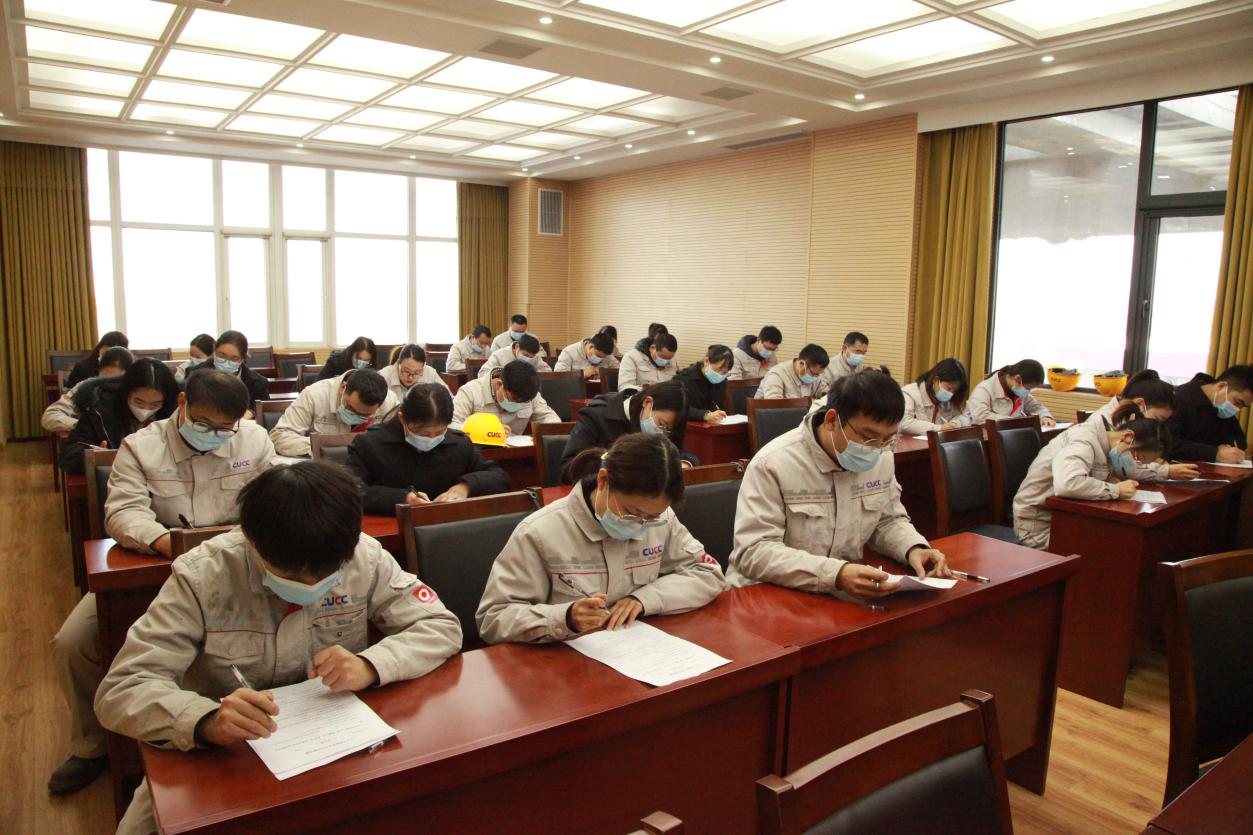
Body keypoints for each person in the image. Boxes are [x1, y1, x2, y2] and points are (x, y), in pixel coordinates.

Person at [94, 461, 462, 833]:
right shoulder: (202, 575)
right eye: (290, 575)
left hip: (336, 746)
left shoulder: (362, 555)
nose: (310, 586)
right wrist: (206, 720)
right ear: (252, 541)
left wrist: (370, 664)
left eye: (326, 575)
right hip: (223, 759)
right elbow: (122, 689)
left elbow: (439, 625)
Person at [48, 371, 272, 797]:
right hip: (159, 564)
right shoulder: (141, 447)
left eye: (225, 428)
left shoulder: (255, 440)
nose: (214, 435)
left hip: (236, 566)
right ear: (182, 403)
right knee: (73, 642)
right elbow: (123, 513)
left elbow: (270, 503)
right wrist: (167, 542)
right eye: (204, 424)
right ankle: (93, 746)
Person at [477, 433, 725, 644]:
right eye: (631, 512)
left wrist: (644, 599)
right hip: (564, 661)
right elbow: (493, 618)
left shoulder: (662, 520)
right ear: (603, 480)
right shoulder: (540, 531)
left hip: (635, 648)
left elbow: (707, 573)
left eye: (651, 517)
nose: (640, 524)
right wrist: (565, 617)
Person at [727, 371, 951, 596]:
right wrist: (835, 574)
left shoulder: (882, 456)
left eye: (888, 439)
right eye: (868, 437)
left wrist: (913, 547)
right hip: (765, 594)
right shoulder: (773, 464)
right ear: (832, 420)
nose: (876, 448)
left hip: (836, 592)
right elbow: (754, 551)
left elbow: (887, 520)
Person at [1013, 404, 1168, 548]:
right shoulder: (1084, 441)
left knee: (1119, 542)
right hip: (1039, 526)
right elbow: (1067, 484)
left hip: (1066, 519)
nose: (1133, 462)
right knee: (1109, 549)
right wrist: (1116, 490)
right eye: (1137, 457)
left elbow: (1122, 472)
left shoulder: (1108, 445)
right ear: (1127, 436)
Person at [347, 383, 511, 514]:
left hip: (445, 526)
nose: (432, 438)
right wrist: (403, 498)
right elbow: (350, 490)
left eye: (439, 432)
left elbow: (499, 477)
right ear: (402, 418)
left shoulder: (459, 444)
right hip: (390, 528)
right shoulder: (370, 444)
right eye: (423, 433)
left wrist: (465, 487)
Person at [58, 358, 180, 475]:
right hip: (115, 481)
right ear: (126, 393)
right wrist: (97, 457)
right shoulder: (100, 410)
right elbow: (69, 456)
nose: (145, 409)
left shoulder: (175, 413)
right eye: (138, 402)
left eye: (155, 404)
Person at [1072, 370, 1197, 482]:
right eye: (1157, 419)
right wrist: (1166, 471)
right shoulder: (1099, 423)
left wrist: (1149, 458)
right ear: (1140, 404)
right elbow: (1123, 468)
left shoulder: (1124, 423)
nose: (1155, 425)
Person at [560, 379, 698, 479]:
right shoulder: (597, 415)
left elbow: (681, 451)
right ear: (647, 402)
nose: (661, 432)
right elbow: (569, 468)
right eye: (661, 424)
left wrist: (684, 464)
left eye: (667, 429)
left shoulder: (660, 427)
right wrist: (621, 464)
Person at [270, 367, 398, 458]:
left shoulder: (390, 402)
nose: (356, 416)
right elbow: (279, 436)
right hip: (323, 468)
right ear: (343, 388)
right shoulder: (314, 395)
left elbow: (399, 441)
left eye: (365, 415)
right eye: (351, 409)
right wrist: (321, 446)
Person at [1166, 365, 1252, 464]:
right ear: (1221, 387)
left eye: (1243, 406)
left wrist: (1228, 446)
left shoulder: (1223, 408)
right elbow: (1167, 443)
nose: (1237, 409)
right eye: (1237, 402)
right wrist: (1215, 453)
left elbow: (1239, 439)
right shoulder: (1180, 399)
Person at [451, 360, 560, 436]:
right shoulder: (469, 392)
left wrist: (548, 429)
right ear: (499, 384)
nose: (519, 404)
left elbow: (551, 418)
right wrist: (485, 430)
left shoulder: (528, 393)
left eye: (524, 402)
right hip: (479, 453)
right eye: (515, 400)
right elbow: (451, 424)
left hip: (516, 453)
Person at [42, 346, 134, 433]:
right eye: (104, 379)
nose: (109, 385)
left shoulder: (136, 389)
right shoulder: (87, 386)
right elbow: (50, 416)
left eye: (115, 380)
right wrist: (87, 426)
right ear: (98, 373)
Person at [185, 330, 270, 416]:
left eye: (234, 359)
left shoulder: (257, 383)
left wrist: (251, 412)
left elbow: (264, 409)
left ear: (243, 359)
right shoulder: (195, 375)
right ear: (214, 351)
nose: (226, 362)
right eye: (221, 356)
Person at [967, 359, 1056, 427]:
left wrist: (1045, 417)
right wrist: (1017, 422)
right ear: (1017, 379)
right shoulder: (984, 389)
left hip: (1010, 435)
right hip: (988, 438)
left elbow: (1037, 407)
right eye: (1028, 388)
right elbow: (981, 417)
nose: (1028, 392)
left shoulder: (1018, 389)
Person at [899, 358, 973, 436]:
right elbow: (904, 423)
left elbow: (966, 416)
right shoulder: (909, 393)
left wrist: (955, 423)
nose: (951, 394)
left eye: (954, 391)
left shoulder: (951, 399)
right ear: (936, 380)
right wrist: (939, 428)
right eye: (949, 388)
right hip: (910, 442)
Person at [676, 344, 734, 424]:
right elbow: (676, 408)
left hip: (712, 425)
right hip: (687, 425)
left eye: (724, 372)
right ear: (706, 361)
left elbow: (717, 404)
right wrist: (705, 415)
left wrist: (718, 413)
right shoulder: (684, 378)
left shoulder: (721, 381)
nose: (720, 375)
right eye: (718, 370)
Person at [757, 343, 829, 400]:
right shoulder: (776, 375)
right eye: (814, 374)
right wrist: (810, 402)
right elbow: (774, 406)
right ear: (802, 364)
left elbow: (826, 394)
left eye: (818, 375)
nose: (815, 377)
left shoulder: (815, 374)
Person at [380, 344, 448, 400]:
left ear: (424, 366)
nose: (410, 377)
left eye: (416, 372)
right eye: (406, 371)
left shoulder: (430, 373)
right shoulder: (384, 377)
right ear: (398, 363)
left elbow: (448, 397)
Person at [65, 330, 130, 388]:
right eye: (109, 347)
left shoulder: (129, 368)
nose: (111, 354)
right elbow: (72, 391)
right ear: (100, 348)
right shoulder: (82, 367)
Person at [478, 333, 549, 378]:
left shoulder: (535, 357)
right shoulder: (499, 355)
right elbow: (482, 373)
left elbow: (547, 371)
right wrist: (503, 376)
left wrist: (534, 375)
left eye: (531, 357)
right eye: (525, 355)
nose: (528, 359)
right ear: (517, 346)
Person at [554, 331, 618, 378]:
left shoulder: (606, 354)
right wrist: (583, 374)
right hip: (575, 390)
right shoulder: (569, 352)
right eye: (598, 356)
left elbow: (619, 371)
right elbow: (559, 376)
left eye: (602, 357)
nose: (599, 359)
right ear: (591, 347)